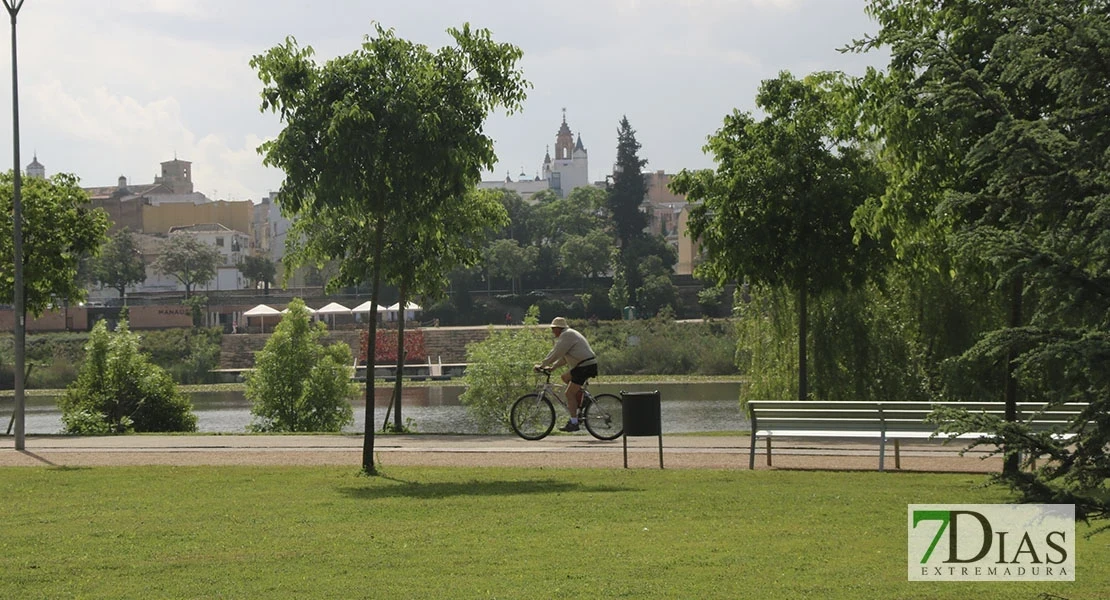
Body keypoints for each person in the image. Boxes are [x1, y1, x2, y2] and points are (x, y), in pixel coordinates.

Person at [535, 316, 598, 432]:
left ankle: (574, 423)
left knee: (569, 394)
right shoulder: (568, 334)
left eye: (553, 328)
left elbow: (556, 352)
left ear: (559, 328)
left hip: (584, 366)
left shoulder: (567, 335)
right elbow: (564, 358)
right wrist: (552, 368)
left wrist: (542, 365)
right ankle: (582, 399)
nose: (552, 331)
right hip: (585, 365)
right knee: (564, 377)